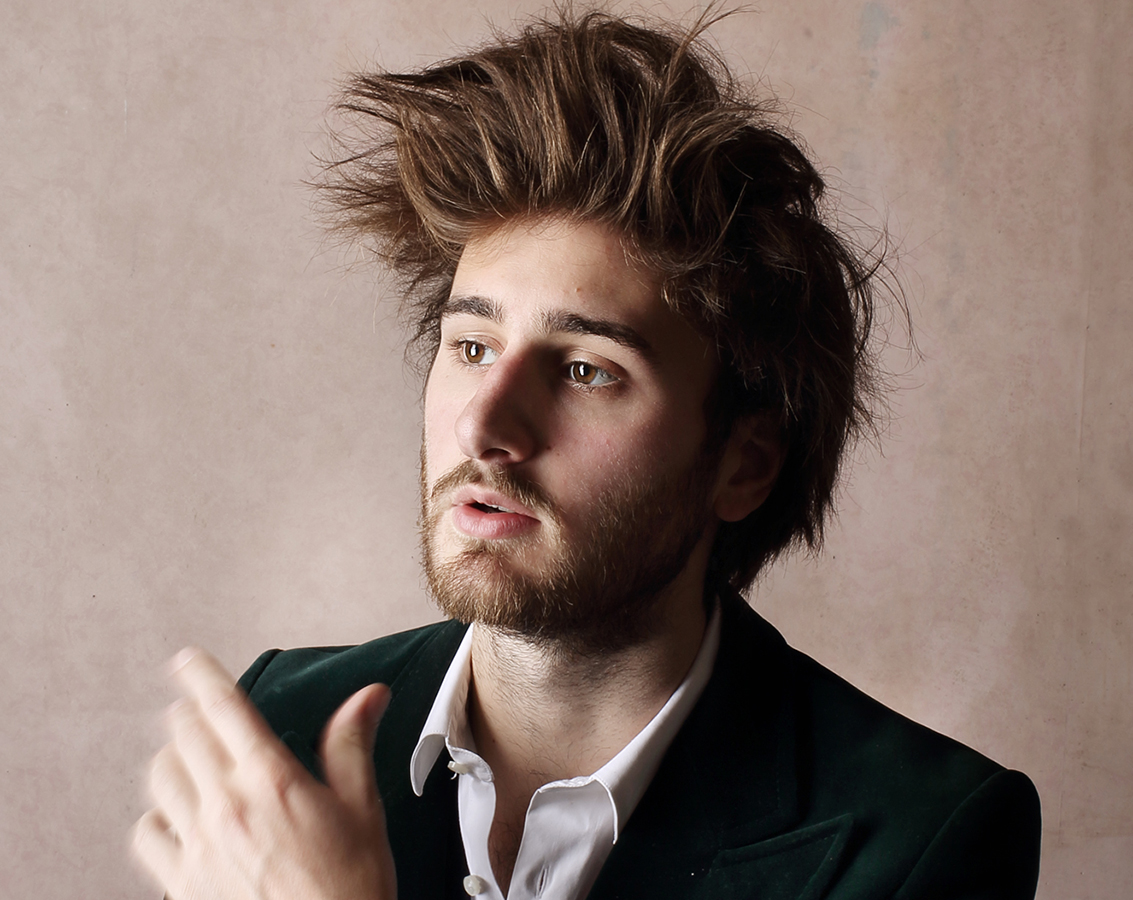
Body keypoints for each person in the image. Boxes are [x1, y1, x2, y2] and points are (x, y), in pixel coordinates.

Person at [131, 10, 1042, 900]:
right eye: (472, 347)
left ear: (744, 464)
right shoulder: (278, 728)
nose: (484, 428)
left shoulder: (922, 840)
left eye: (584, 368)